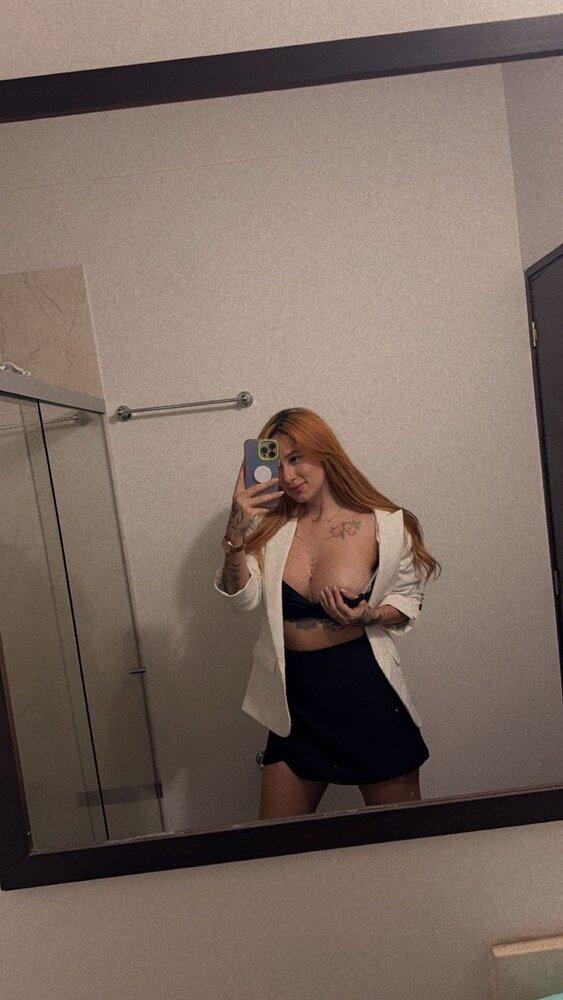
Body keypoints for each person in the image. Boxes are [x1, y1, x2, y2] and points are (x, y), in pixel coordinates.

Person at [214, 407, 439, 820]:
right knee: (278, 844)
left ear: (325, 452)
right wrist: (235, 530)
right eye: (277, 464)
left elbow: (408, 601)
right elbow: (240, 600)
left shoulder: (385, 526)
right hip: (294, 701)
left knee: (399, 841)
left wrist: (368, 616)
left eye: (296, 458)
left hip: (366, 691)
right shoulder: (269, 529)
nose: (288, 475)